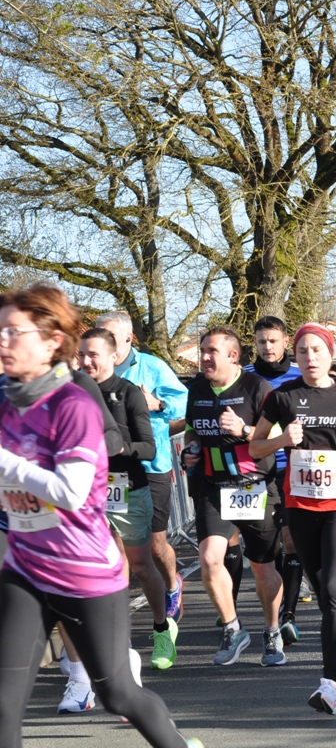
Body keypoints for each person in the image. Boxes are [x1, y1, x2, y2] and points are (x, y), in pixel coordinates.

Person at [0, 284, 203, 748]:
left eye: (14, 332)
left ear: (52, 340)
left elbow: (70, 493)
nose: (2, 342)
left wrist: (6, 465)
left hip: (83, 572)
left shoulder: (72, 403)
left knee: (117, 693)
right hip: (24, 566)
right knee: (3, 703)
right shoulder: (6, 403)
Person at [251, 323, 336, 713]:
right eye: (302, 351)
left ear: (330, 354)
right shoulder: (281, 396)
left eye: (316, 350)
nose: (309, 358)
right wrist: (282, 441)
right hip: (300, 506)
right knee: (323, 594)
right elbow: (255, 447)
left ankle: (329, 686)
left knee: (333, 591)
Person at [181, 325, 285, 666]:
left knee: (262, 567)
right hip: (213, 485)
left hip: (254, 485)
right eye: (203, 351)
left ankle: (272, 631)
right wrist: (190, 450)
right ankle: (233, 628)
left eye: (211, 351)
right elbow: (192, 429)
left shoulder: (257, 388)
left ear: (233, 355)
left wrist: (245, 430)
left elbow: (279, 436)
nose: (204, 357)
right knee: (210, 557)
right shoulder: (197, 388)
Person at [79, 328, 178, 673]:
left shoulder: (128, 392)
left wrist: (119, 447)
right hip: (86, 491)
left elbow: (148, 447)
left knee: (140, 565)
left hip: (127, 487)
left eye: (93, 355)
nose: (85, 361)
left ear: (112, 356)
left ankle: (162, 628)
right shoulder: (73, 392)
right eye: (81, 355)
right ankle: (120, 642)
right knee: (106, 567)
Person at [95, 311, 189, 625]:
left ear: (128, 338)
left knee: (156, 544)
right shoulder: (91, 373)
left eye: (110, 336)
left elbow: (184, 401)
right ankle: (118, 624)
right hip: (114, 471)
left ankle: (172, 585)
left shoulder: (151, 366)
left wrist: (159, 404)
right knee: (117, 543)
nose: (104, 342)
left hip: (152, 463)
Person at [242, 316, 305, 644]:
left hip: (294, 469)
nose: (267, 347)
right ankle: (275, 601)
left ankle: (288, 615)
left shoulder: (299, 375)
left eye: (273, 341)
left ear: (285, 342)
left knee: (291, 539)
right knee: (268, 545)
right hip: (255, 470)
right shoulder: (244, 377)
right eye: (261, 341)